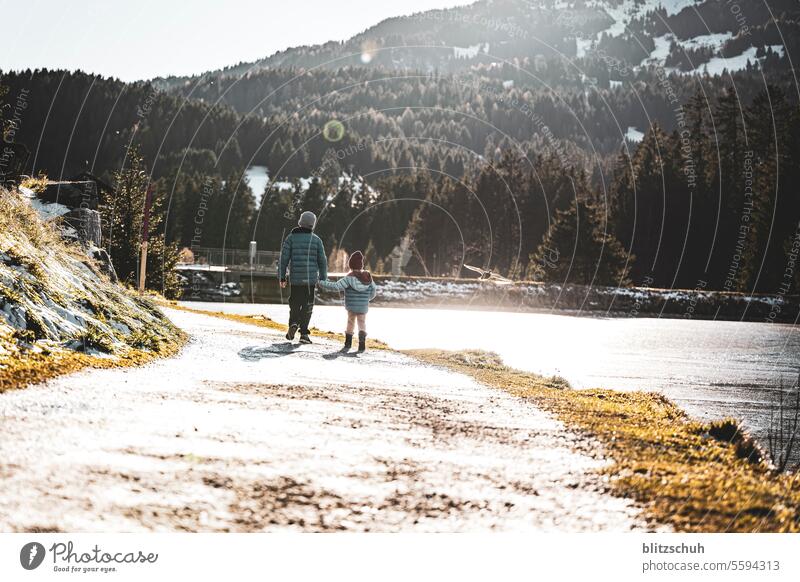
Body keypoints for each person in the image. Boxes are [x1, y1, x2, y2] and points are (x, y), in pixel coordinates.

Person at [279, 211, 327, 344]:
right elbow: (322, 261)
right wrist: (323, 278)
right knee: (308, 306)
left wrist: (282, 277)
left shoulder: (291, 238)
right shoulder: (317, 240)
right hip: (310, 281)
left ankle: (293, 323)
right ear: (312, 225)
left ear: (300, 222)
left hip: (295, 280)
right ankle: (304, 334)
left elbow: (283, 259)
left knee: (294, 303)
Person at [318, 250, 377, 352]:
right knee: (362, 323)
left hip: (351, 306)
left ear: (351, 265)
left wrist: (322, 283)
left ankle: (348, 343)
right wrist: (366, 299)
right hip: (363, 306)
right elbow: (373, 291)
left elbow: (336, 286)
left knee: (350, 322)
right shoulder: (368, 277)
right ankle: (362, 343)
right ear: (361, 265)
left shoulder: (349, 278)